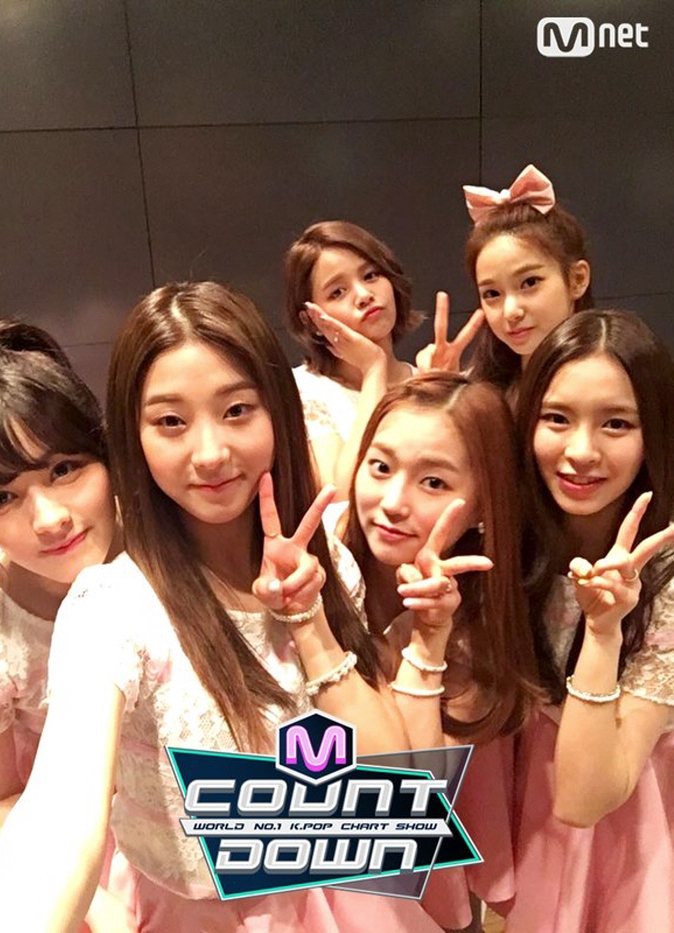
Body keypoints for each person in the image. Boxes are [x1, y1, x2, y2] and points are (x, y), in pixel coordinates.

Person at [0, 283, 446, 933]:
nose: (209, 453)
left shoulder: (328, 563)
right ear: (133, 437)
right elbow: (59, 809)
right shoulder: (111, 605)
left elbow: (390, 781)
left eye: (236, 410)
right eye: (171, 422)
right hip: (200, 913)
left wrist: (309, 620)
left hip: (346, 887)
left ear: (277, 410)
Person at [337, 372, 539, 927]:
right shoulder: (318, 567)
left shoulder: (481, 626)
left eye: (433, 482)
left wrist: (430, 635)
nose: (392, 503)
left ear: (483, 506)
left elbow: (407, 802)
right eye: (380, 467)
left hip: (410, 888)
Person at [510, 309, 674, 932]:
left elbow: (585, 800)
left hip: (629, 833)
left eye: (616, 423)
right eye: (557, 418)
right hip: (524, 821)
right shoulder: (509, 545)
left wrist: (603, 634)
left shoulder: (666, 575)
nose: (581, 451)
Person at [0, 320, 124, 930]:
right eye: (1, 498)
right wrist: (97, 902)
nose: (49, 520)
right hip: (72, 849)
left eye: (64, 469)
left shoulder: (171, 549)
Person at [285, 221, 482, 491]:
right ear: (311, 321)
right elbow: (340, 494)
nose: (364, 295)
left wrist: (444, 391)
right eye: (338, 292)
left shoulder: (429, 378)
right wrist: (373, 369)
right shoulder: (304, 391)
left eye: (370, 276)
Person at [462, 164, 592, 396]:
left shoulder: (619, 381)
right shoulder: (481, 391)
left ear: (577, 279)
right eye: (492, 294)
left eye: (530, 283)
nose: (511, 312)